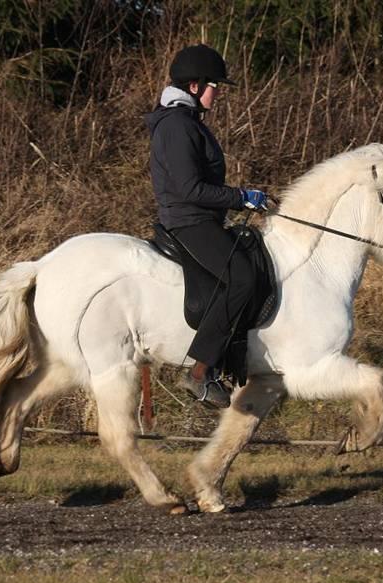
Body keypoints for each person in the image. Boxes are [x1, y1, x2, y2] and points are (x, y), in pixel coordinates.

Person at [145, 44, 268, 409]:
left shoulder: (186, 122)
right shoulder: (177, 126)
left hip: (200, 218)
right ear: (195, 86)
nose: (218, 93)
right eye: (215, 85)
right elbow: (189, 188)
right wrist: (240, 197)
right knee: (242, 277)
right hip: (188, 220)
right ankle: (199, 372)